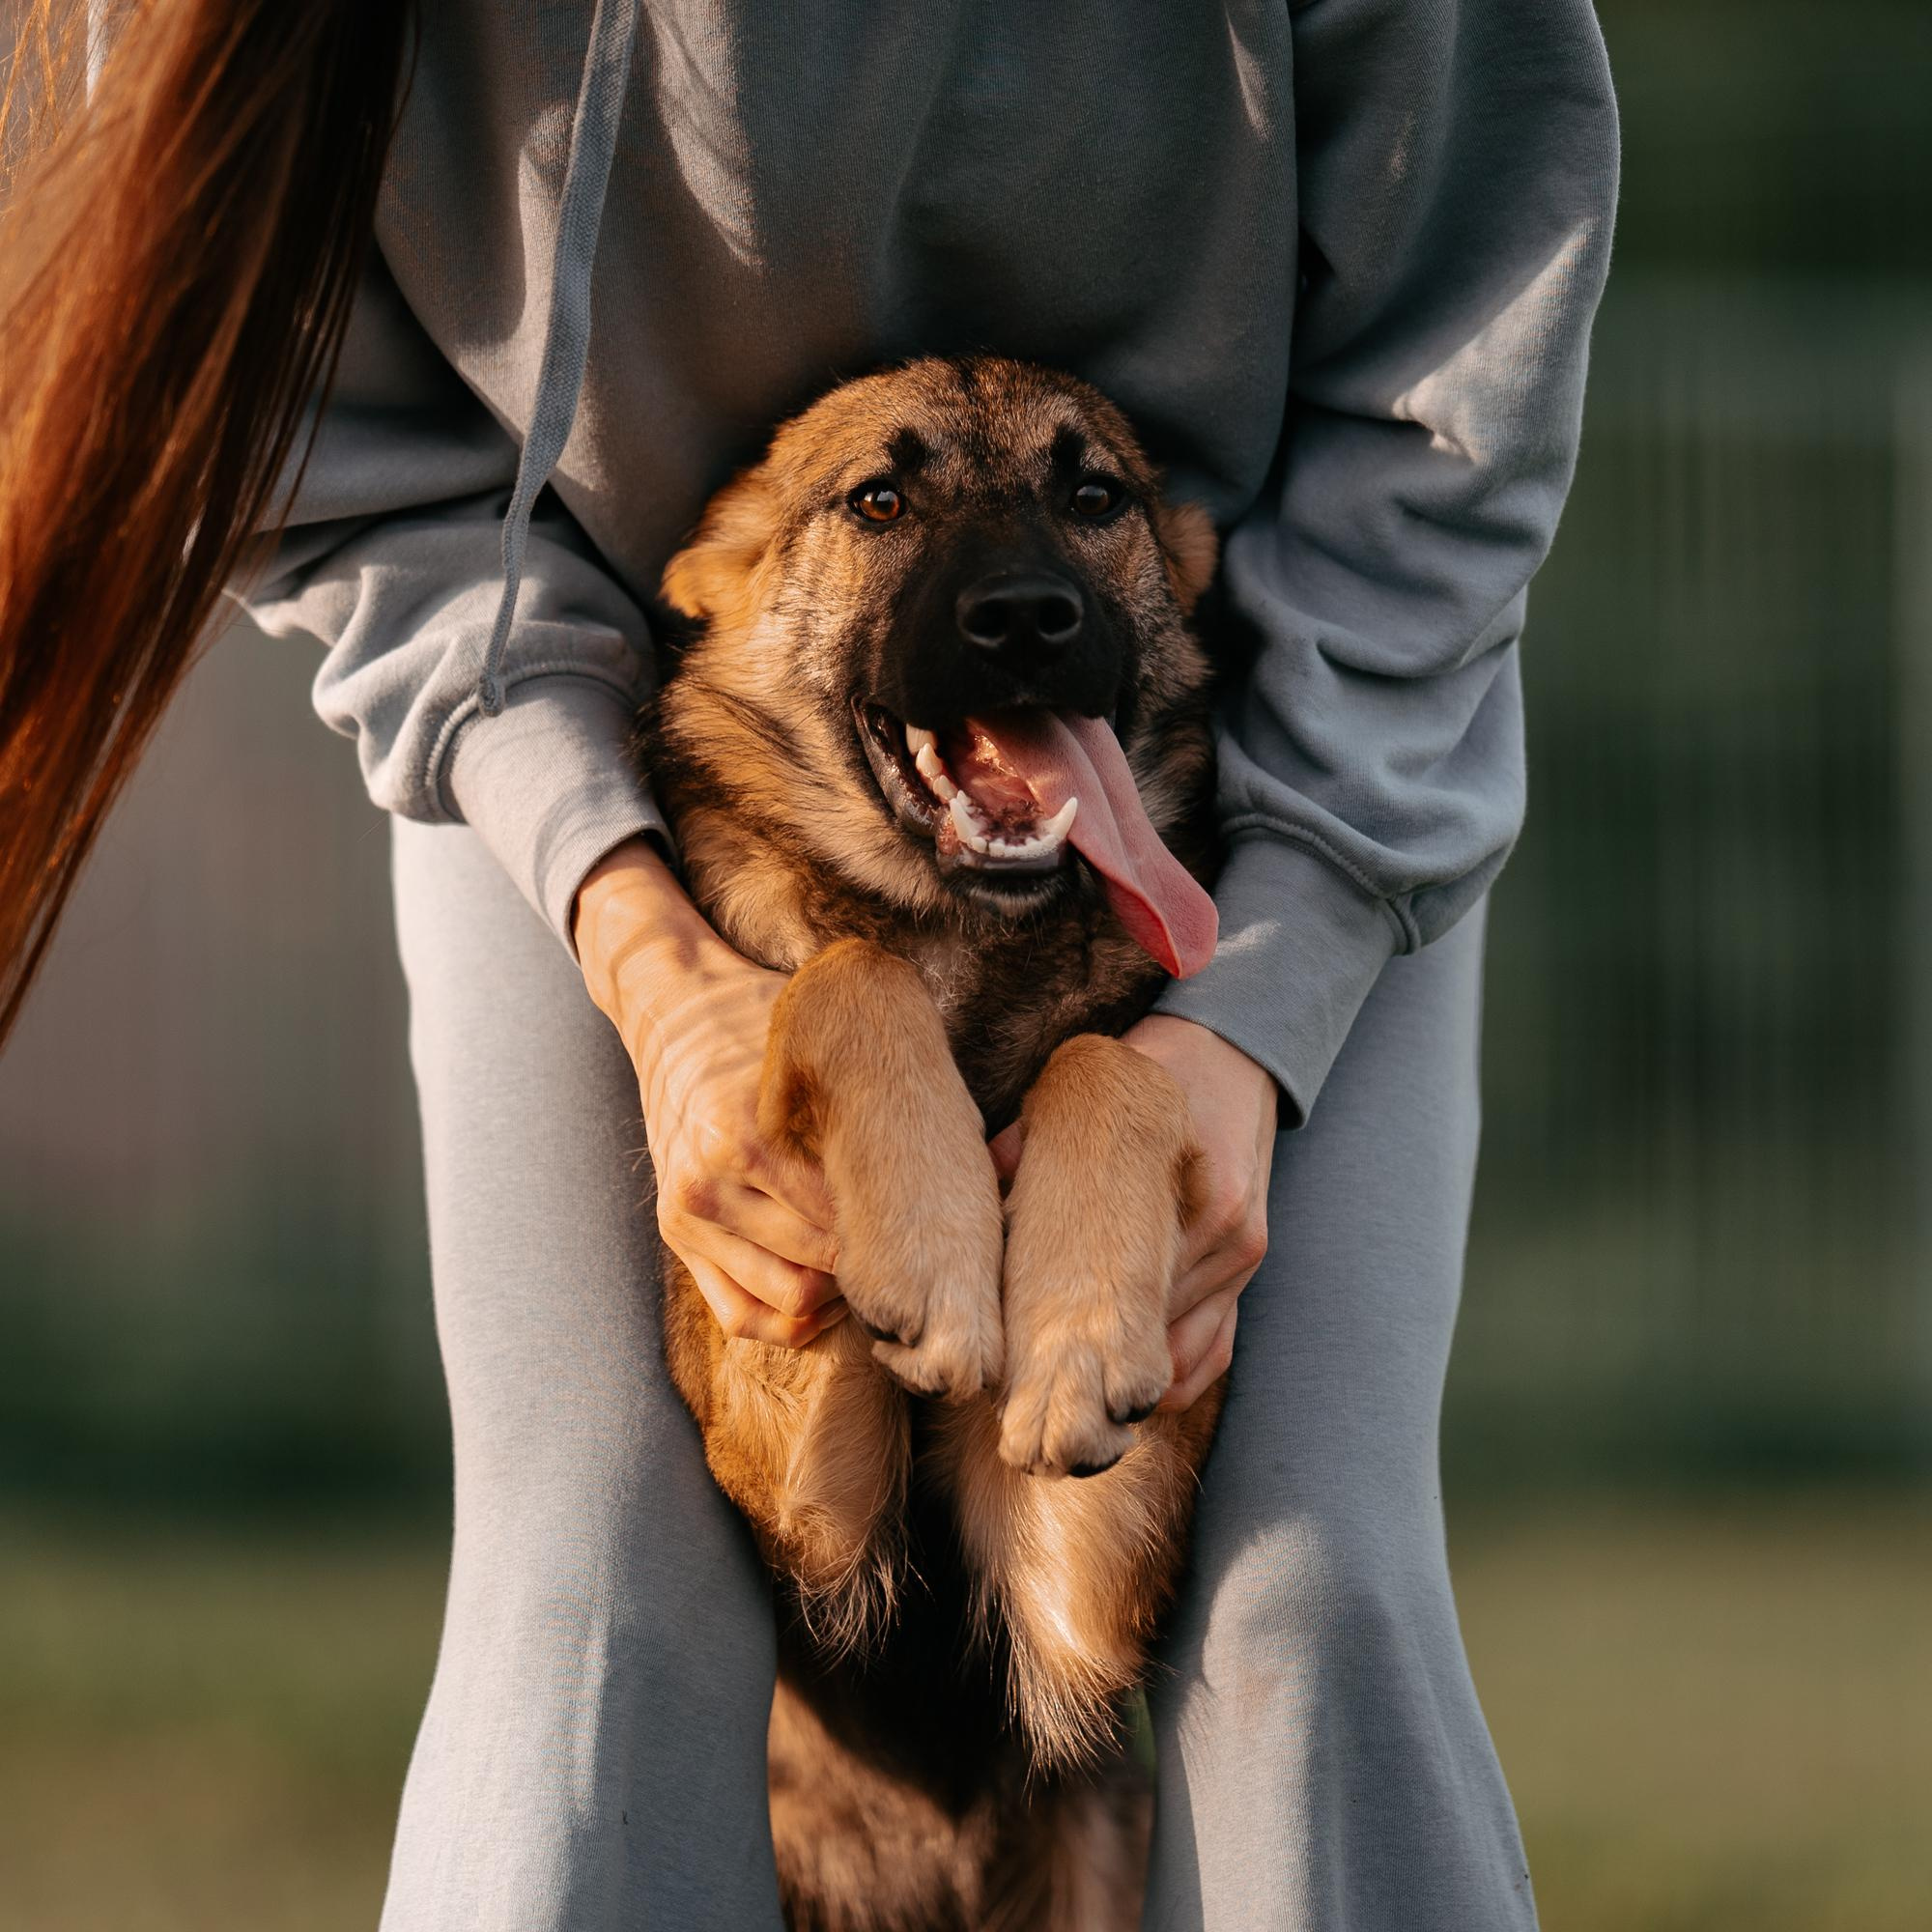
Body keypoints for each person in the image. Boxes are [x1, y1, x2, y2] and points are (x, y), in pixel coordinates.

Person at [0, 3, 1618, 1925]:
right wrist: (648, 951)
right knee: (592, 1564)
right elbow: (298, 425)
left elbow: (1470, 338)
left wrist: (1253, 1020)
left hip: (1287, 704)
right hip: (581, 680)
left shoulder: (1169, 617)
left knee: (1309, 1582)